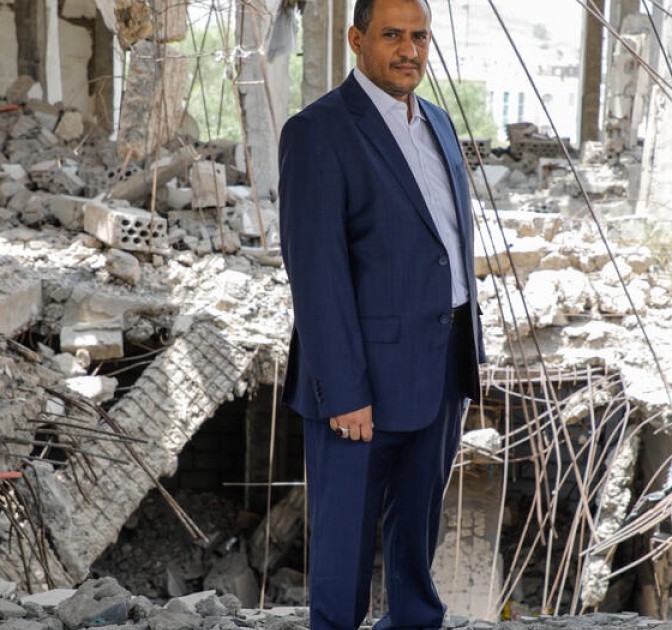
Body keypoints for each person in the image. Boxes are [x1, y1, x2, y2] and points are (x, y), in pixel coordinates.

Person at [276, 0, 485, 628]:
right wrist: (343, 389)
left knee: (416, 539)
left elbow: (444, 243)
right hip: (359, 381)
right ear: (356, 39)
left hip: (441, 366)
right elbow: (316, 274)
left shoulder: (440, 124)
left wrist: (466, 355)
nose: (409, 50)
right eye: (392, 35)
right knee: (343, 552)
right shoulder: (319, 131)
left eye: (419, 36)